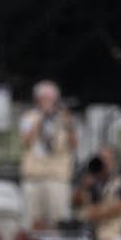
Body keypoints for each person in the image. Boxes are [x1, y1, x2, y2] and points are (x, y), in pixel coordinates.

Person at [18, 80, 75, 229]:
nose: (49, 103)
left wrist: (68, 124)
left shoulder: (64, 119)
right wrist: (41, 118)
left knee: (58, 221)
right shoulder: (29, 117)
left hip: (57, 177)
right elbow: (25, 141)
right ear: (37, 100)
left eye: (52, 99)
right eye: (45, 99)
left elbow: (74, 145)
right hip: (34, 177)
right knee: (32, 221)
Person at [73, 150, 121, 240]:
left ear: (113, 162)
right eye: (101, 158)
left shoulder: (120, 181)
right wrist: (83, 186)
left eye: (107, 159)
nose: (104, 162)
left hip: (109, 226)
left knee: (109, 239)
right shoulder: (89, 178)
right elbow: (75, 203)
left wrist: (99, 213)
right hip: (86, 227)